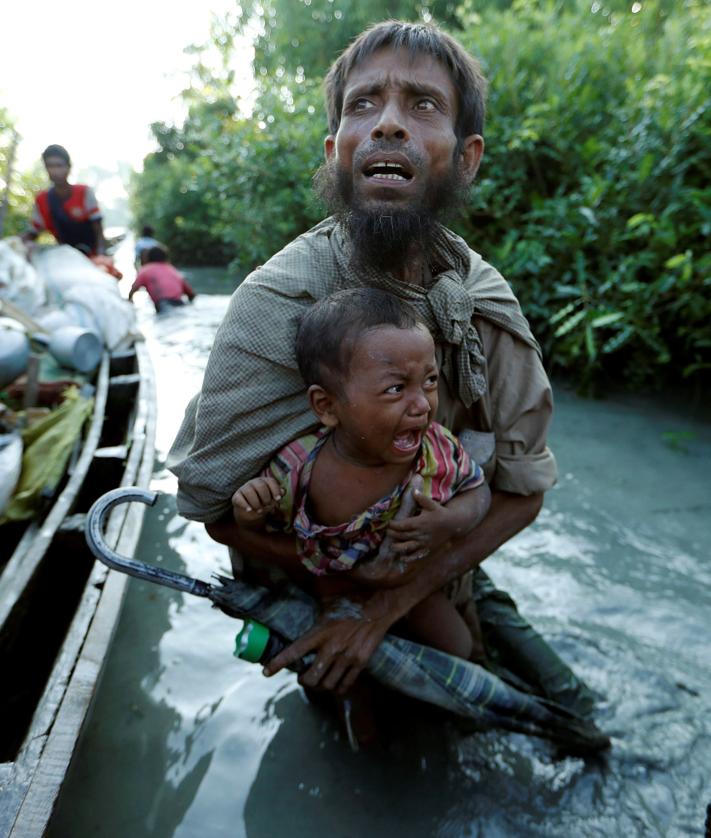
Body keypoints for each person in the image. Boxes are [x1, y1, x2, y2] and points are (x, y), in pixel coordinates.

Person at [169, 21, 596, 718]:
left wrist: (393, 598)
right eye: (363, 105)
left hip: (437, 563)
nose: (388, 125)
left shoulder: (480, 302)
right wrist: (346, 585)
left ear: (466, 158)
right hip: (312, 588)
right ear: (336, 149)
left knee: (572, 719)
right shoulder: (278, 305)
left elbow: (522, 489)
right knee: (349, 715)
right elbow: (217, 511)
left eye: (422, 105)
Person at [233, 288, 491, 662]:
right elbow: (259, 527)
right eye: (396, 388)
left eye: (430, 381)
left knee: (457, 646)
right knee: (338, 672)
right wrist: (249, 510)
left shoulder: (435, 450)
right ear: (328, 406)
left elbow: (478, 492)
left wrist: (449, 521)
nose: (423, 404)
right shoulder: (298, 467)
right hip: (327, 590)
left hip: (409, 584)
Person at [24, 144, 106, 256]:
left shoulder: (84, 192)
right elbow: (33, 232)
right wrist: (16, 243)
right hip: (65, 257)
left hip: (91, 256)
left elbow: (98, 230)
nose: (54, 171)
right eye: (50, 166)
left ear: (68, 167)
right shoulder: (42, 199)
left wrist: (100, 256)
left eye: (59, 165)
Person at [128, 245, 196, 313]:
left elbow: (134, 288)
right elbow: (191, 294)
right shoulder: (172, 269)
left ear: (149, 258)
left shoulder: (145, 270)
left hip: (164, 306)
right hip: (180, 303)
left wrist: (129, 300)